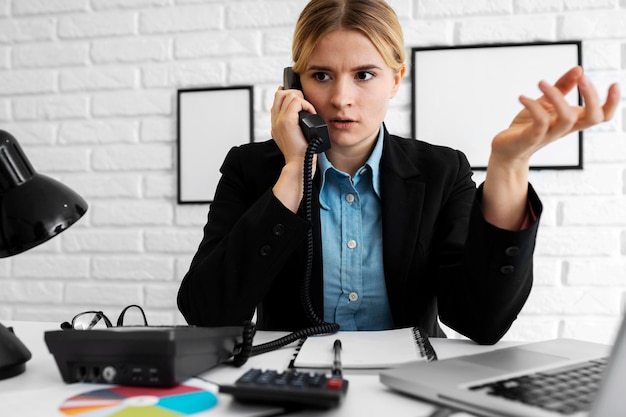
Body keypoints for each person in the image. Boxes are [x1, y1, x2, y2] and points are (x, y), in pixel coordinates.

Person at [177, 0, 619, 344]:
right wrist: (295, 169)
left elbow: (482, 322)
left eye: (365, 75)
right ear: (295, 84)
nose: (341, 98)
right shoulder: (250, 168)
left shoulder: (442, 170)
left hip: (410, 386)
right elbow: (207, 313)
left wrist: (509, 166)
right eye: (321, 75)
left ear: (395, 79)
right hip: (290, 385)